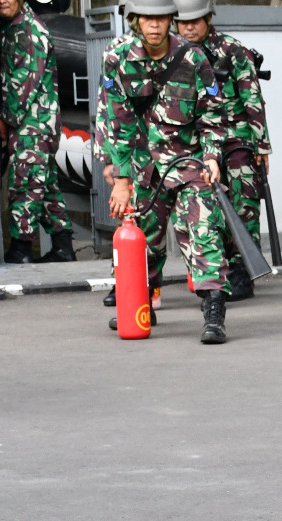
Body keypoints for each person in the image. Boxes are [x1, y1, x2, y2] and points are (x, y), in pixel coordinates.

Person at [98, 0, 231, 344]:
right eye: (148, 19)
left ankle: (214, 311)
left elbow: (213, 113)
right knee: (146, 242)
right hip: (144, 168)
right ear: (135, 21)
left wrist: (213, 157)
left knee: (203, 231)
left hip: (188, 164)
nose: (155, 26)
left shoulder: (194, 58)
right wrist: (122, 180)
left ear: (171, 20)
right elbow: (118, 122)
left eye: (161, 18)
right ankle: (140, 304)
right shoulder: (118, 60)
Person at [174, 0, 271, 302]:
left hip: (236, 139)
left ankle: (243, 271)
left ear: (208, 17)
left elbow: (252, 97)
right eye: (183, 22)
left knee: (244, 204)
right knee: (203, 207)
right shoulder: (173, 53)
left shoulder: (231, 49)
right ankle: (213, 269)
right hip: (197, 141)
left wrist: (261, 145)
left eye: (195, 21)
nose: (189, 27)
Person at [0, 0, 74, 264]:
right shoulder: (11, 27)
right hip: (34, 123)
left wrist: (5, 119)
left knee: (25, 183)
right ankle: (63, 247)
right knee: (45, 185)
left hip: (32, 124)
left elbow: (23, 85)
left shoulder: (29, 29)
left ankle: (21, 248)